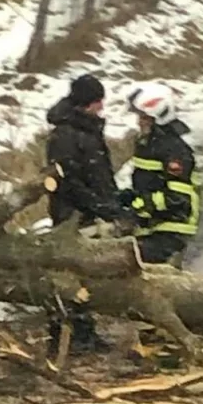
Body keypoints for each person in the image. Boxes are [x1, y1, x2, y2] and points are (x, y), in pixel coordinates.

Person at [44, 73, 123, 352]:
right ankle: (69, 334)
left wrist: (111, 200)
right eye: (98, 102)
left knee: (85, 274)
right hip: (73, 215)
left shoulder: (85, 129)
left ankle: (83, 332)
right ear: (87, 103)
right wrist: (97, 205)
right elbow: (69, 182)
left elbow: (97, 171)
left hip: (90, 211)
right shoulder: (67, 135)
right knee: (72, 275)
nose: (101, 107)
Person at [117, 83, 199, 265]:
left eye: (144, 118)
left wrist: (142, 204)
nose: (139, 122)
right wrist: (128, 197)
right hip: (152, 226)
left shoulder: (175, 150)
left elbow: (178, 198)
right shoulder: (148, 144)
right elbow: (149, 183)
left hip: (172, 228)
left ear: (158, 117)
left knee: (127, 260)